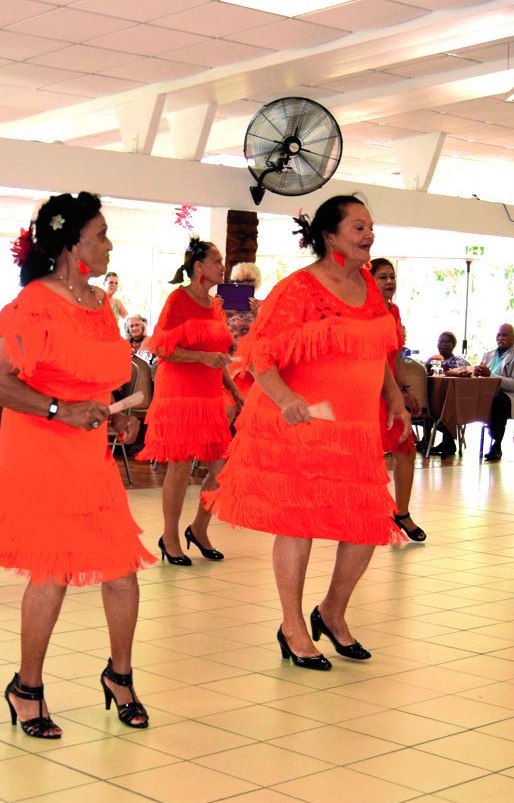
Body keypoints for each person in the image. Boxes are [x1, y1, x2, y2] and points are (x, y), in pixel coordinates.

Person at [0, 192, 153, 739]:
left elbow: (115, 374)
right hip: (40, 450)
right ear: (71, 244)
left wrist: (122, 414)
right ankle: (27, 686)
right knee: (50, 571)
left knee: (121, 570)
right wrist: (60, 408)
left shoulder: (102, 304)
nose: (108, 244)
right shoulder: (32, 304)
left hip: (90, 450)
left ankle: (119, 675)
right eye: (100, 234)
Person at [207, 195, 408, 670]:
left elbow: (377, 348)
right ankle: (293, 625)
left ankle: (332, 612)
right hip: (306, 425)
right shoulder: (298, 288)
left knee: (366, 526)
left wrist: (394, 395)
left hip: (357, 429)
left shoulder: (368, 286)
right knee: (299, 527)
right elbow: (260, 356)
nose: (369, 235)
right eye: (358, 227)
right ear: (329, 235)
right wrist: (284, 399)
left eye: (371, 226)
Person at [141, 238, 242, 565]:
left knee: (221, 467)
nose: (222, 267)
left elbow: (219, 357)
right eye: (216, 261)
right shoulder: (178, 300)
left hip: (211, 394)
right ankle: (170, 536)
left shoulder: (217, 304)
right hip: (180, 394)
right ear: (199, 267)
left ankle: (199, 528)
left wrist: (235, 391)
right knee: (181, 465)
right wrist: (203, 357)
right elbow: (162, 349)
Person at [371, 257, 426, 541]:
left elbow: (395, 355)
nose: (390, 281)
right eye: (382, 277)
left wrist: (405, 390)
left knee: (405, 449)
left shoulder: (393, 311)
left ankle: (401, 512)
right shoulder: (362, 310)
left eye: (392, 276)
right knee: (368, 454)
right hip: (368, 390)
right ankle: (369, 512)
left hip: (391, 390)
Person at [476, 323, 514, 462]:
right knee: (465, 397)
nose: (501, 338)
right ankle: (450, 440)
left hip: (510, 397)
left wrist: (491, 375)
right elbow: (482, 377)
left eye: (505, 335)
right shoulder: (488, 355)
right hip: (487, 393)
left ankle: (496, 444)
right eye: (499, 335)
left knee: (498, 401)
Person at [224, 261, 263, 351]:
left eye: (246, 281)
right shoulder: (224, 306)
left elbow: (268, 337)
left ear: (256, 282)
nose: (240, 285)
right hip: (225, 358)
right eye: (236, 281)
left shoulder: (263, 306)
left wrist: (257, 314)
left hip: (251, 357)